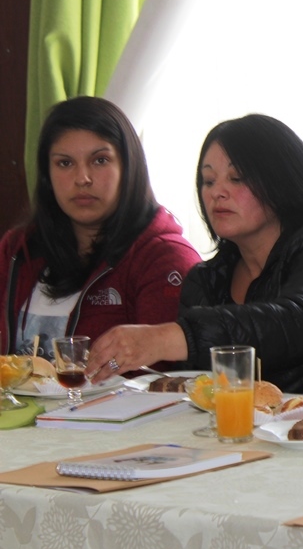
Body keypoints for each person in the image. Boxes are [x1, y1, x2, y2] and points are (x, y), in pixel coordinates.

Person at [86, 114, 303, 398]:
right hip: (261, 442)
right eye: (208, 180)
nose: (217, 192)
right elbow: (204, 390)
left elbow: (302, 320)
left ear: (282, 181)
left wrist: (171, 337)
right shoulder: (206, 281)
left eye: (237, 178)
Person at [0, 96, 199, 360]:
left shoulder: (164, 258)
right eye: (65, 163)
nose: (82, 178)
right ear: (47, 175)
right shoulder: (17, 248)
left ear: (128, 167)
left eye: (100, 160)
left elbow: (167, 378)